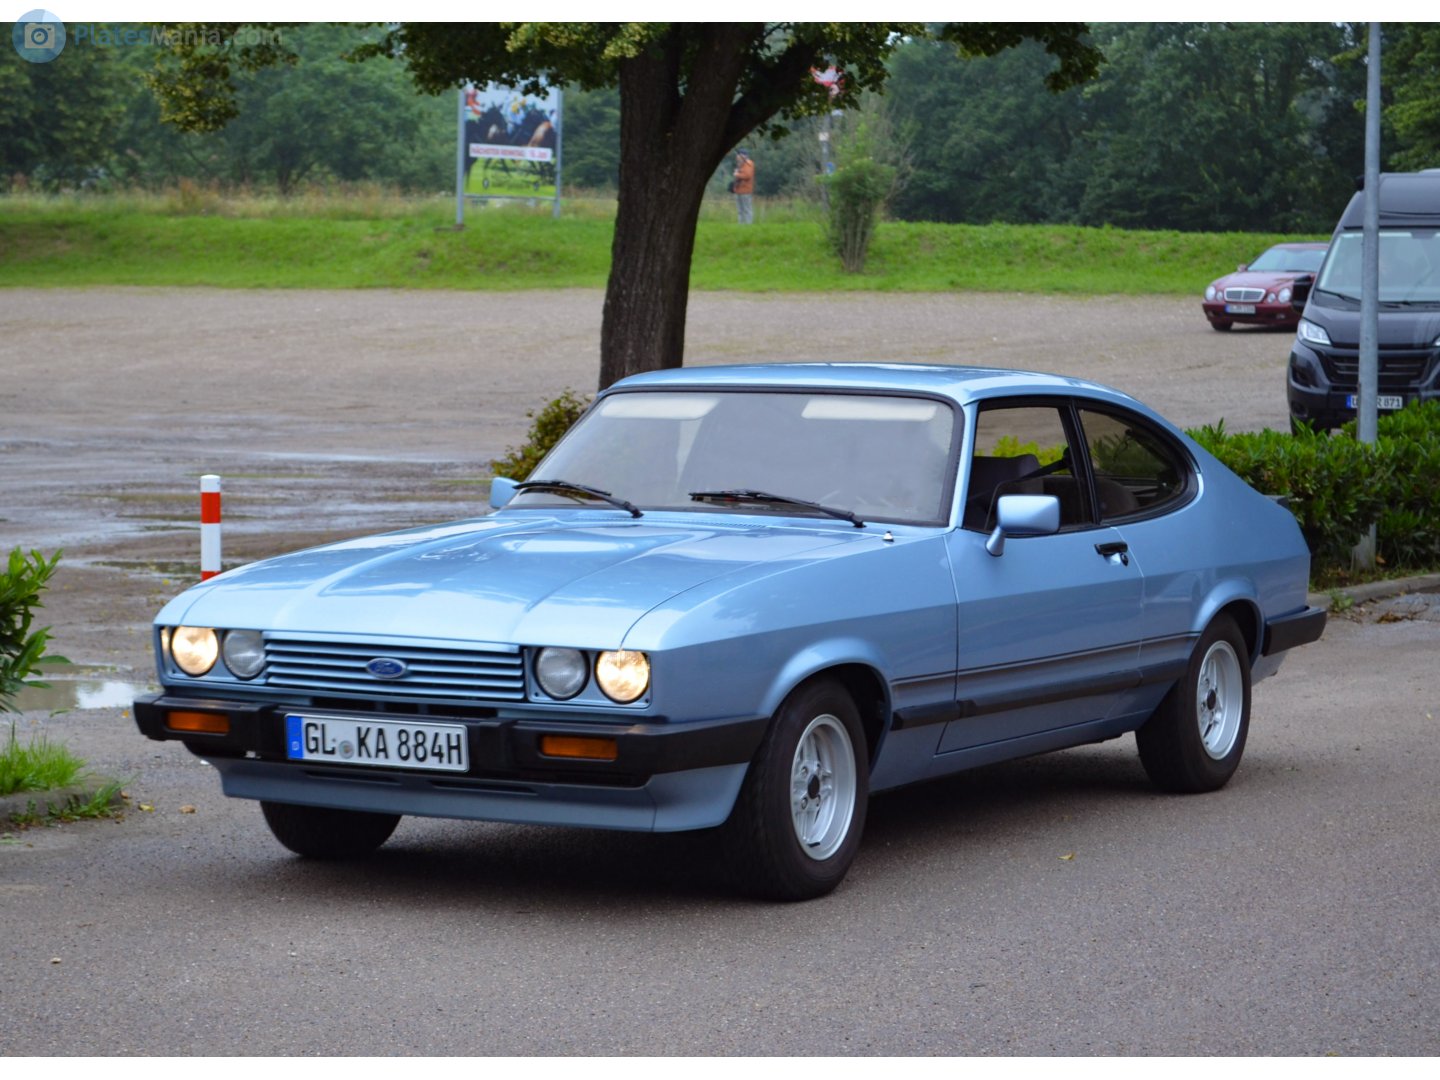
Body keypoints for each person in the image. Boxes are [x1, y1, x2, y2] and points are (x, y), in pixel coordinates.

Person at [733, 149, 755, 224]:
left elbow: (747, 175)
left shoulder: (749, 164)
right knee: (740, 210)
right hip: (738, 190)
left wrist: (737, 174)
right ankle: (741, 225)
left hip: (745, 190)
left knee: (747, 209)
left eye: (739, 155)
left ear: (743, 155)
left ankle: (748, 225)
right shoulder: (740, 164)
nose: (737, 156)